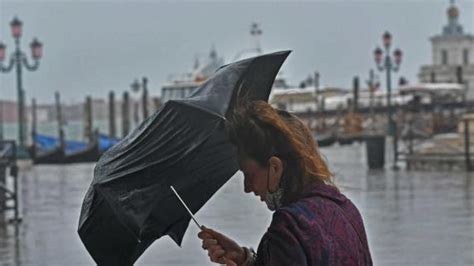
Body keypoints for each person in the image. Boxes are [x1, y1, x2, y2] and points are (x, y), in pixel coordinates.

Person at [198, 101, 372, 266]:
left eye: (249, 175)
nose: (247, 187)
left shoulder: (289, 226)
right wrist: (245, 260)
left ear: (275, 167)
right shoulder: (346, 209)